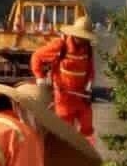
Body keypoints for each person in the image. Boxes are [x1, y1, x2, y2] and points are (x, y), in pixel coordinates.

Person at [30, 12, 97, 146]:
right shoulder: (61, 45)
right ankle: (63, 156)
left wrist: (89, 84)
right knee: (65, 130)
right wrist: (40, 78)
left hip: (81, 96)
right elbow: (37, 57)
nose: (81, 39)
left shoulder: (88, 49)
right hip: (63, 97)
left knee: (87, 126)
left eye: (84, 37)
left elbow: (90, 69)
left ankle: (86, 156)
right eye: (80, 36)